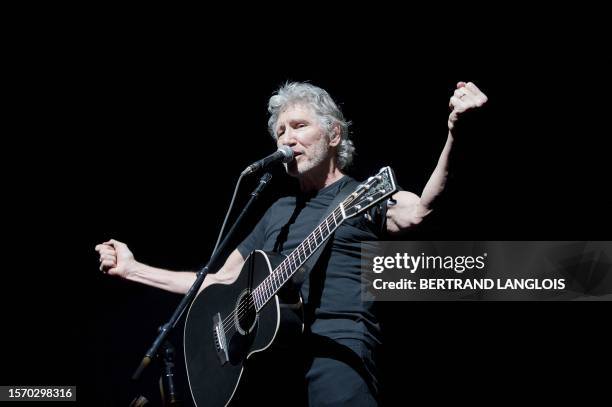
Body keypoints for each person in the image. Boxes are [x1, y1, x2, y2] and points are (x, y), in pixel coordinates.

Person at [95, 81, 487, 406]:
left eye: (298, 126)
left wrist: (457, 133)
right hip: (270, 370)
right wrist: (132, 269)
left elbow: (418, 211)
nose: (287, 138)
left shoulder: (361, 194)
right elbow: (216, 280)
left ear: (334, 134)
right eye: (281, 131)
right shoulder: (277, 210)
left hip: (338, 355)